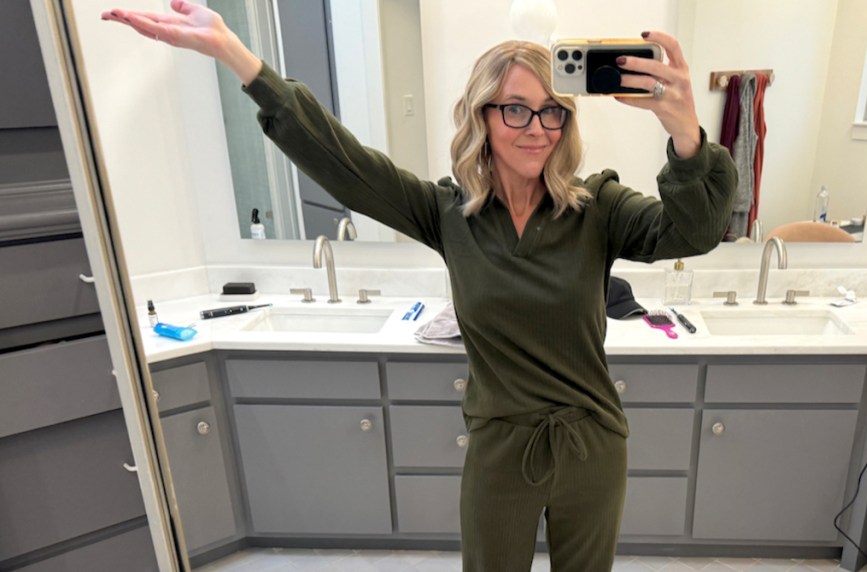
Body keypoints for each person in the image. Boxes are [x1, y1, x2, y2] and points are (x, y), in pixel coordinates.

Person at [103, 2, 737, 570]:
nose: (537, 127)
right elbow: (343, 162)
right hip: (500, 448)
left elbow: (691, 233)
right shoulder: (446, 213)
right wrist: (236, 55)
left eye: (552, 111)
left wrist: (685, 135)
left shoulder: (596, 205)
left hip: (592, 445)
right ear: (482, 115)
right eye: (516, 108)